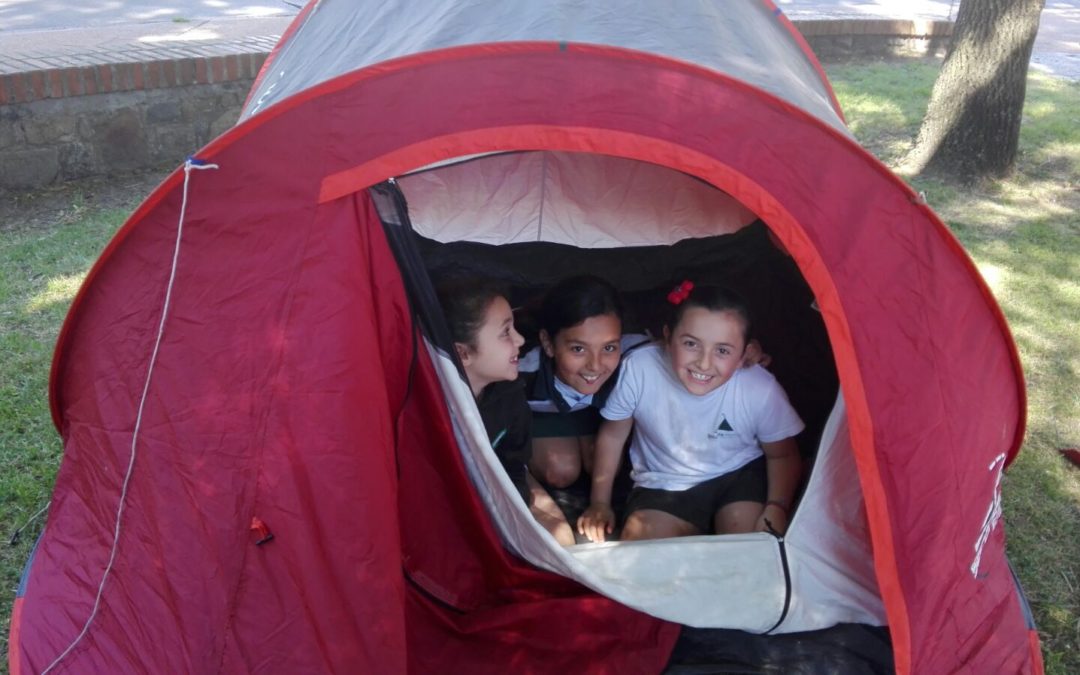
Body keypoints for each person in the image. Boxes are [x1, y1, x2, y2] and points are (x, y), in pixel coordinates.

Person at [577, 282, 804, 543]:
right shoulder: (639, 368)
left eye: (722, 350)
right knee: (643, 556)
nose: (704, 363)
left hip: (737, 476)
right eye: (691, 344)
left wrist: (776, 506)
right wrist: (600, 503)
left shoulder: (758, 387)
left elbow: (783, 455)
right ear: (667, 338)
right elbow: (613, 436)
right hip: (664, 482)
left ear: (745, 354)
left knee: (749, 547)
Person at [436, 277, 575, 546]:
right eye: (505, 333)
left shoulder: (509, 395)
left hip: (495, 483)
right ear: (462, 354)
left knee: (559, 543)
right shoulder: (427, 407)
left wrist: (515, 519)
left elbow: (513, 464)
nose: (520, 339)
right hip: (446, 506)